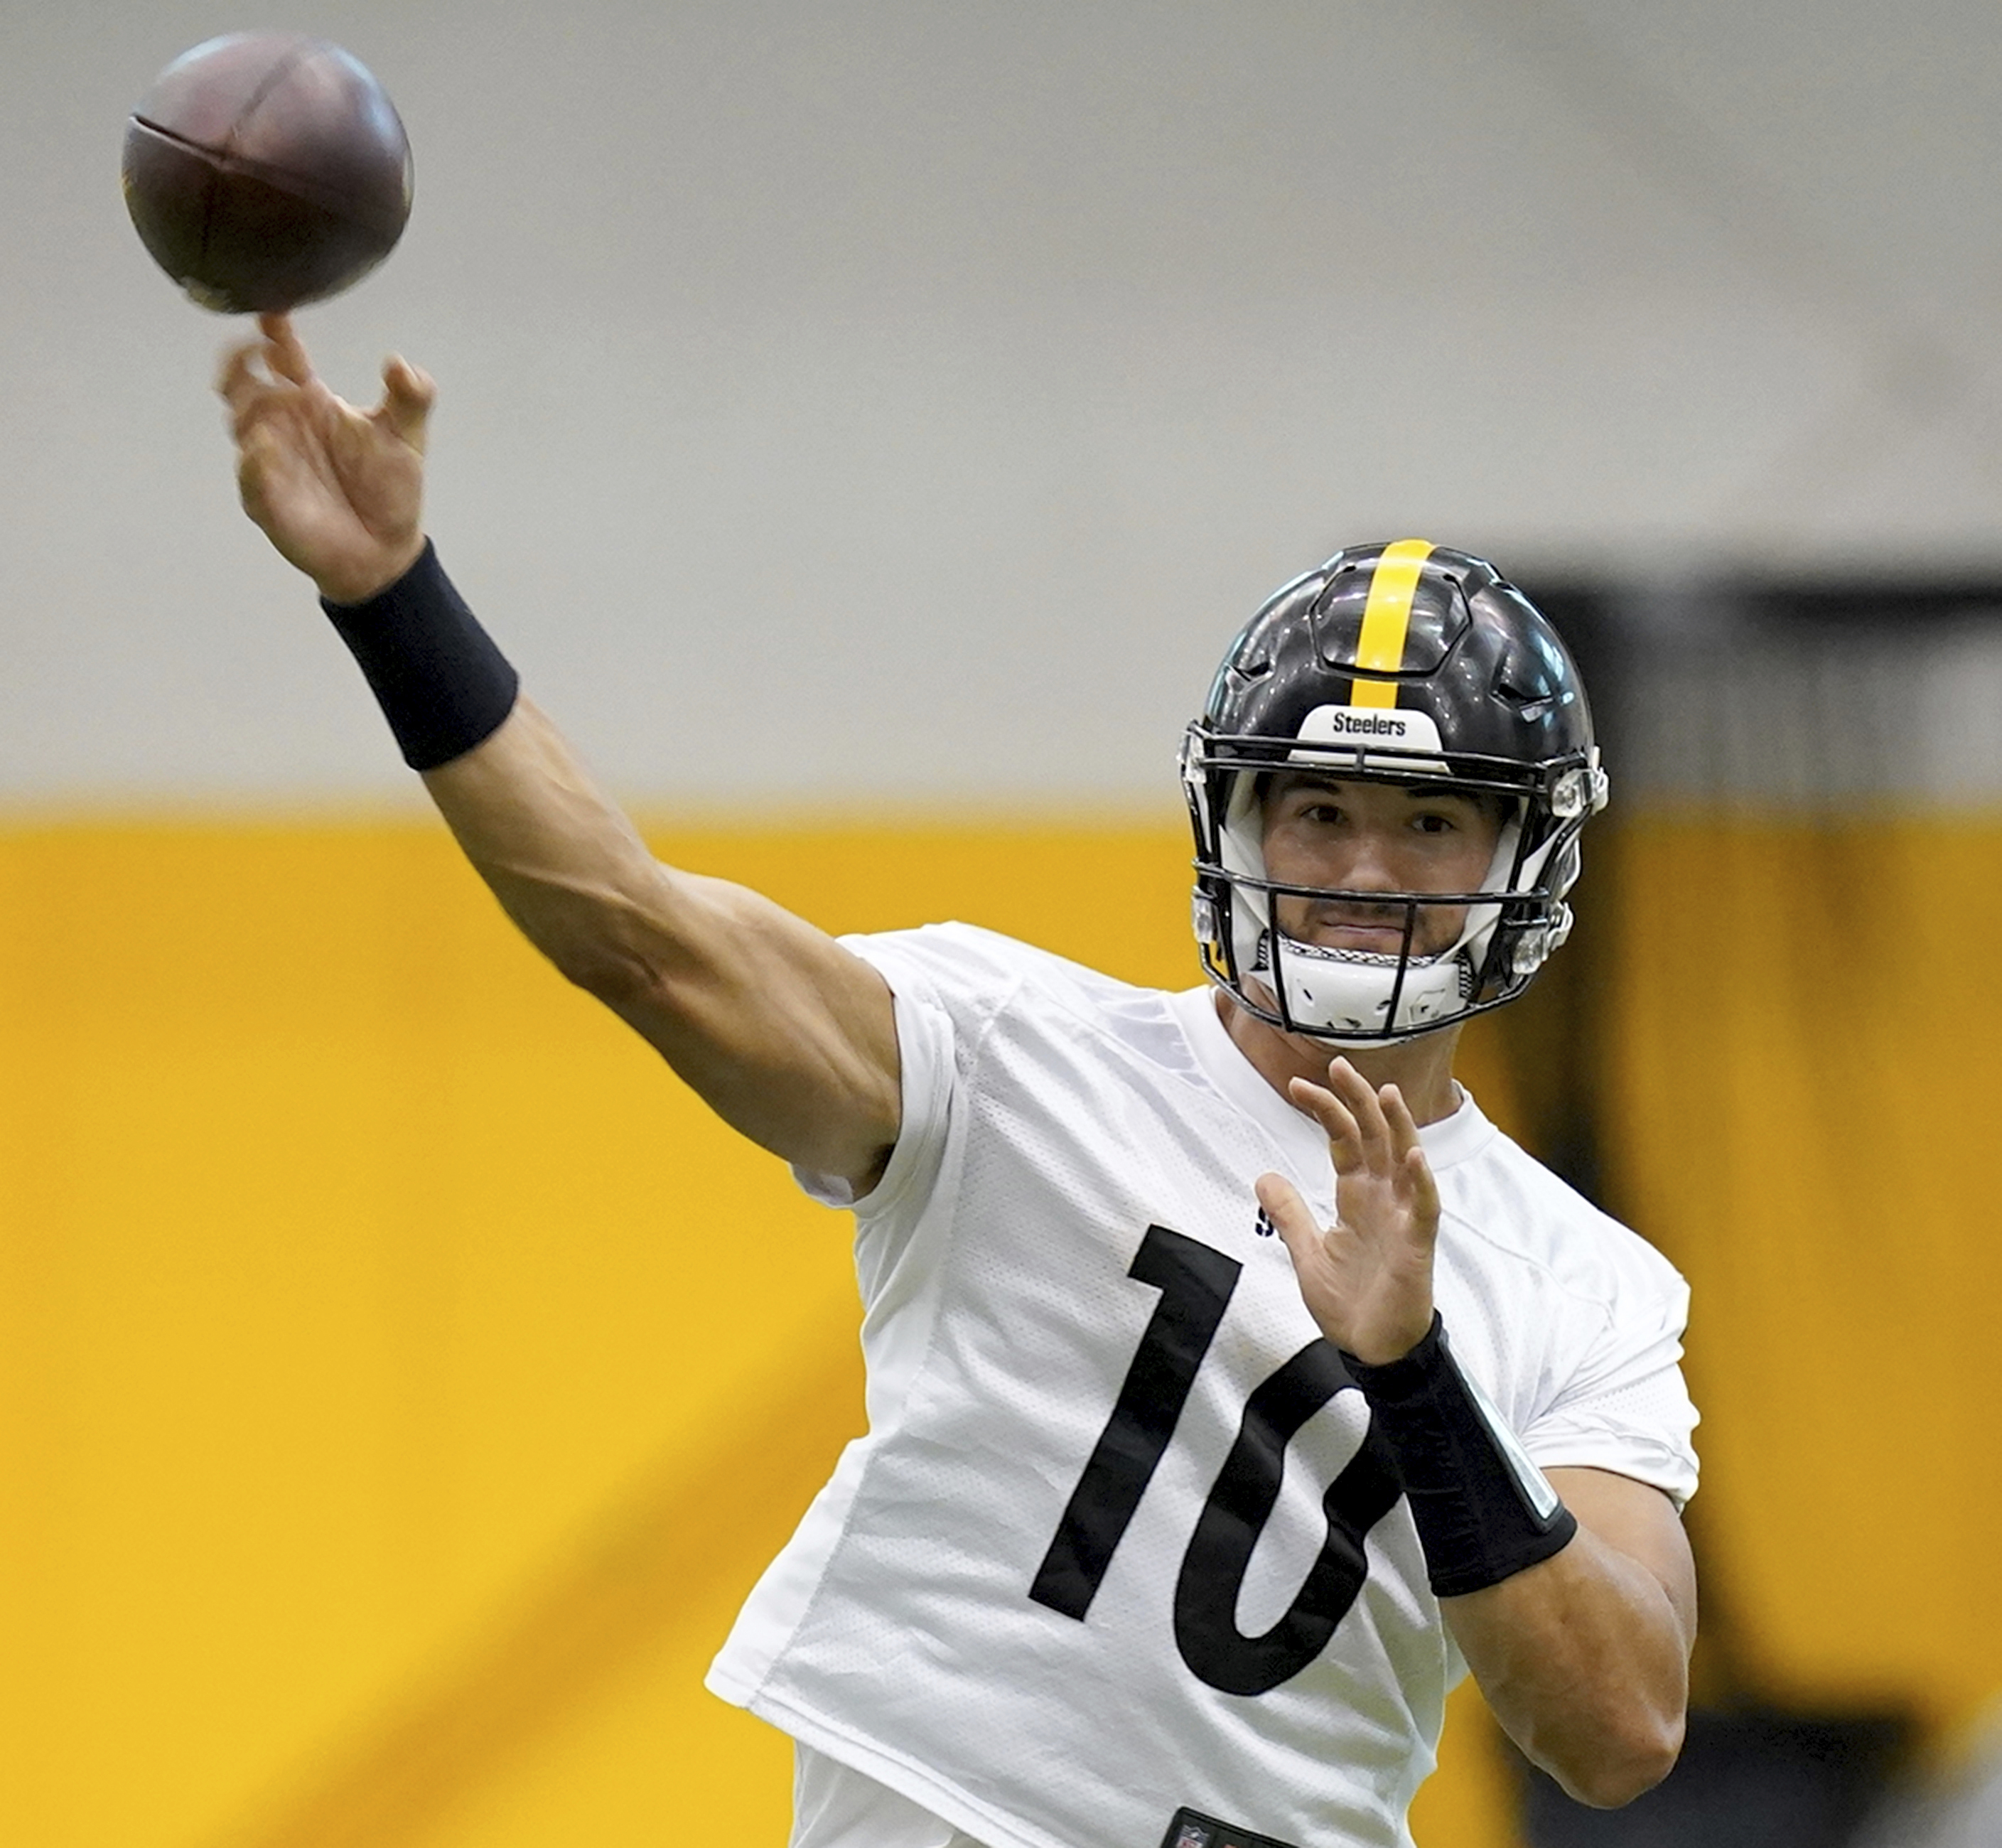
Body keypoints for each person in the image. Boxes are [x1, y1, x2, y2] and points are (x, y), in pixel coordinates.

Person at [217, 313, 1699, 1848]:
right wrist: (392, 598)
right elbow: (638, 936)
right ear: (1236, 825)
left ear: (1522, 857)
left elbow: (1619, 1729)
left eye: (1430, 825)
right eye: (1316, 810)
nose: (1361, 872)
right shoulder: (1009, 1048)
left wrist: (1411, 1374)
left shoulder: (1583, 1284)